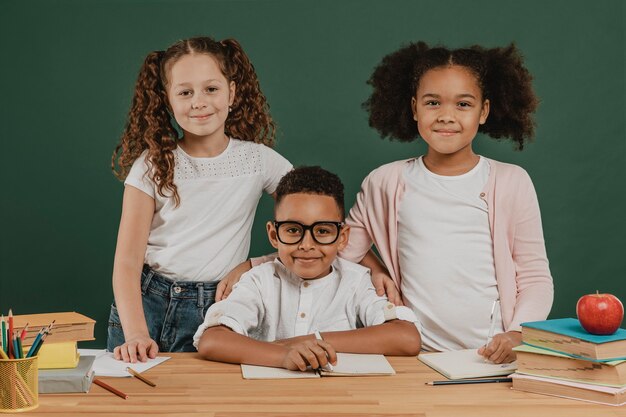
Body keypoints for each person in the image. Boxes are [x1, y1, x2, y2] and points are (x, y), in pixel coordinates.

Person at [341, 42, 553, 364]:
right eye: (433, 102)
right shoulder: (385, 182)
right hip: (416, 358)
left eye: (463, 104)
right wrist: (375, 269)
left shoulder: (511, 181)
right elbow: (339, 249)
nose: (446, 116)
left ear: (483, 111)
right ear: (414, 109)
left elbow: (535, 276)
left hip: (492, 357)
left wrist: (518, 333)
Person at [108, 36, 292, 362]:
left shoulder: (259, 161)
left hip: (222, 307)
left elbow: (314, 216)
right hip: (148, 304)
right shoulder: (151, 166)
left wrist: (255, 265)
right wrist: (136, 332)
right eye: (185, 92)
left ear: (232, 92)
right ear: (166, 100)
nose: (199, 102)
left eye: (211, 89)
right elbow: (126, 262)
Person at [194, 167, 421, 370]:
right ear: (274, 235)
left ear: (342, 238)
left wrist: (310, 340)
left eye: (322, 231)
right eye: (293, 230)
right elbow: (213, 340)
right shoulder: (259, 281)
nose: (307, 245)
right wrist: (283, 356)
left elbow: (406, 337)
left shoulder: (356, 281)